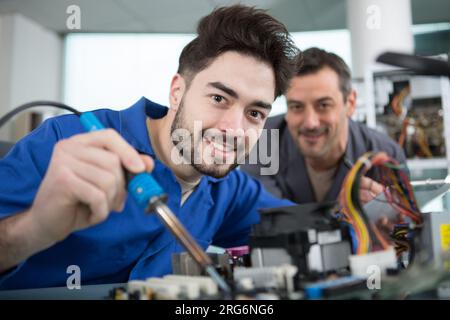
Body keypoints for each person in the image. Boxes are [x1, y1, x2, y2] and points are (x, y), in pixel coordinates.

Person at [0, 5, 299, 290]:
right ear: (177, 92)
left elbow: (309, 227)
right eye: (219, 98)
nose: (234, 129)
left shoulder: (230, 192)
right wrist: (35, 227)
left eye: (255, 113)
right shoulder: (64, 141)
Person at [241, 48, 407, 204]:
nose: (310, 123)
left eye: (323, 105)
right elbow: (264, 219)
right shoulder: (263, 141)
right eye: (296, 107)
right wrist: (345, 215)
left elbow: (404, 229)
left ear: (350, 103)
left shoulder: (386, 155)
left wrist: (387, 216)